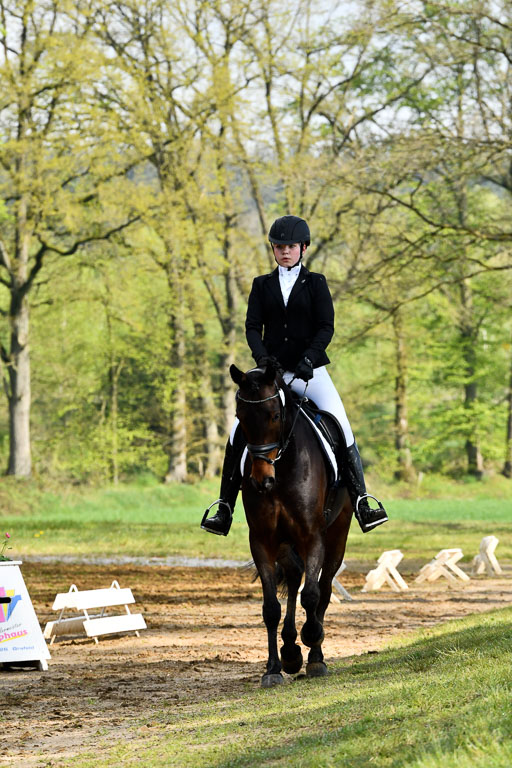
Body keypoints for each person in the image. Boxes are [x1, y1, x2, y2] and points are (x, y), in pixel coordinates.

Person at [201, 215, 388, 536]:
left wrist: (309, 358)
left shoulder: (316, 283)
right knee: (236, 433)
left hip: (310, 372)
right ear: (273, 250)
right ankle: (224, 507)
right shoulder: (262, 284)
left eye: (290, 246)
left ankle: (362, 502)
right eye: (279, 246)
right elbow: (251, 327)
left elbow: (326, 327)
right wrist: (262, 360)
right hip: (270, 374)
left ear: (303, 248)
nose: (285, 251)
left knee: (341, 424)